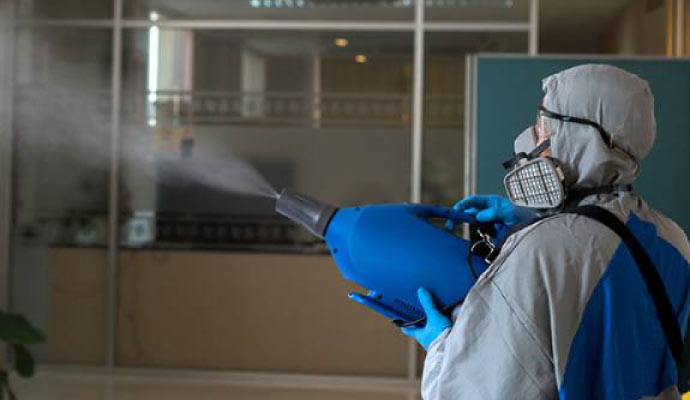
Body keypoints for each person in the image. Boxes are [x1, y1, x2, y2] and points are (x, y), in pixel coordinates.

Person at [402, 64, 690, 399]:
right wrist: (539, 219)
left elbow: (471, 391)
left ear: (581, 136)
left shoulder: (539, 252)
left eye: (543, 124)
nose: (534, 139)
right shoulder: (675, 241)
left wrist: (442, 346)